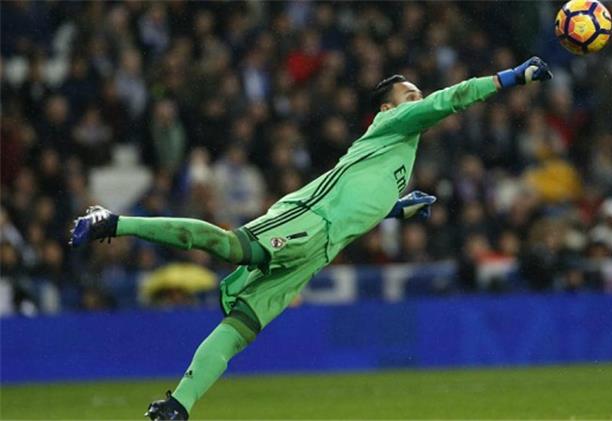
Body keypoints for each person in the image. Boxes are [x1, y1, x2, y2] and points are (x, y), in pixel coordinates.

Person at [69, 57, 552, 420]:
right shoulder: (392, 123)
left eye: (418, 95)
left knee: (240, 329)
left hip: (320, 250)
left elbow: (357, 201)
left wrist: (395, 208)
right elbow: (453, 98)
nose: (419, 100)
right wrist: (512, 77)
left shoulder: (400, 159)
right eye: (411, 95)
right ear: (386, 108)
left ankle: (178, 406)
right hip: (307, 217)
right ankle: (114, 222)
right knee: (228, 246)